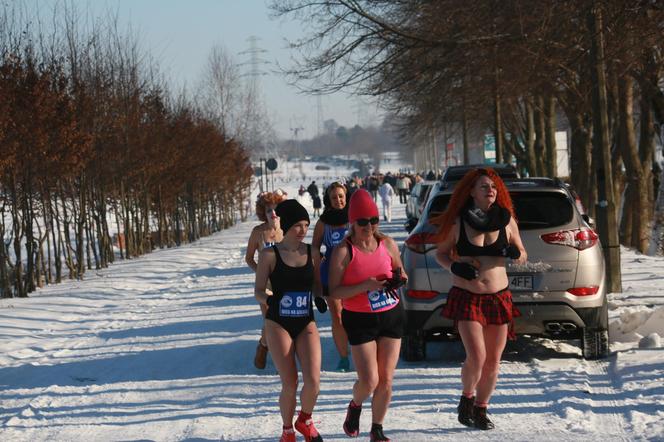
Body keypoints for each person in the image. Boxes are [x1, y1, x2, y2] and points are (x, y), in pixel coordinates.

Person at [431, 168, 527, 431]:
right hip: (467, 295)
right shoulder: (458, 222)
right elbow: (440, 253)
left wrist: (514, 252)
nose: (490, 190)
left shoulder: (506, 221)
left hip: (498, 297)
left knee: (493, 361)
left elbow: (522, 254)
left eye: (493, 186)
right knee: (477, 355)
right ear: (471, 192)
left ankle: (481, 408)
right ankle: (467, 398)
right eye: (484, 186)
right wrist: (454, 267)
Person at [328, 189, 408, 442]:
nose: (369, 227)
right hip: (359, 318)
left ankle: (377, 429)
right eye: (363, 222)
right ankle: (355, 405)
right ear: (352, 222)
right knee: (370, 380)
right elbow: (334, 290)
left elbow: (401, 271)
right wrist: (364, 286)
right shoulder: (344, 251)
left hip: (391, 314)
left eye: (373, 221)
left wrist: (399, 279)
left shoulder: (388, 244)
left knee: (386, 379)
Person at [254, 199, 324, 442]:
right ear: (286, 226)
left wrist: (320, 297)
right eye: (297, 225)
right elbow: (258, 290)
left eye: (306, 224)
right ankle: (287, 430)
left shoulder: (312, 253)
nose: (303, 230)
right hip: (278, 323)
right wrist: (269, 299)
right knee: (291, 382)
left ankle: (304, 419)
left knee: (314, 381)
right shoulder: (269, 255)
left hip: (305, 320)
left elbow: (317, 285)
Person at [312, 182, 350, 372]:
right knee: (337, 315)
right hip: (331, 273)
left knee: (359, 315)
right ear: (328, 199)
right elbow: (314, 247)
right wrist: (317, 272)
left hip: (354, 272)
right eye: (334, 197)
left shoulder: (355, 217)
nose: (338, 200)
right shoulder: (323, 222)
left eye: (341, 196)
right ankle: (344, 357)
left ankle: (362, 349)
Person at [245, 191, 285, 369]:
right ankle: (266, 349)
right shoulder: (258, 232)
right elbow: (249, 258)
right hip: (266, 285)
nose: (273, 214)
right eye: (269, 210)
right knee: (271, 320)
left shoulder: (287, 229)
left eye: (276, 210)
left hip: (285, 283)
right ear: (264, 213)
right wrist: (260, 272)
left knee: (284, 321)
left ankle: (264, 344)